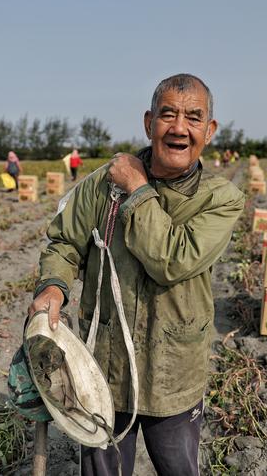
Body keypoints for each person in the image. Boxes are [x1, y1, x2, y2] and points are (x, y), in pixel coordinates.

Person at [27, 74, 245, 475]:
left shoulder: (220, 199)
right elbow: (64, 243)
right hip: (103, 374)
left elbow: (171, 261)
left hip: (173, 374)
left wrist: (138, 189)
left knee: (179, 468)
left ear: (209, 131)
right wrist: (54, 285)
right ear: (149, 123)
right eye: (168, 115)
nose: (179, 127)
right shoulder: (103, 184)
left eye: (193, 118)